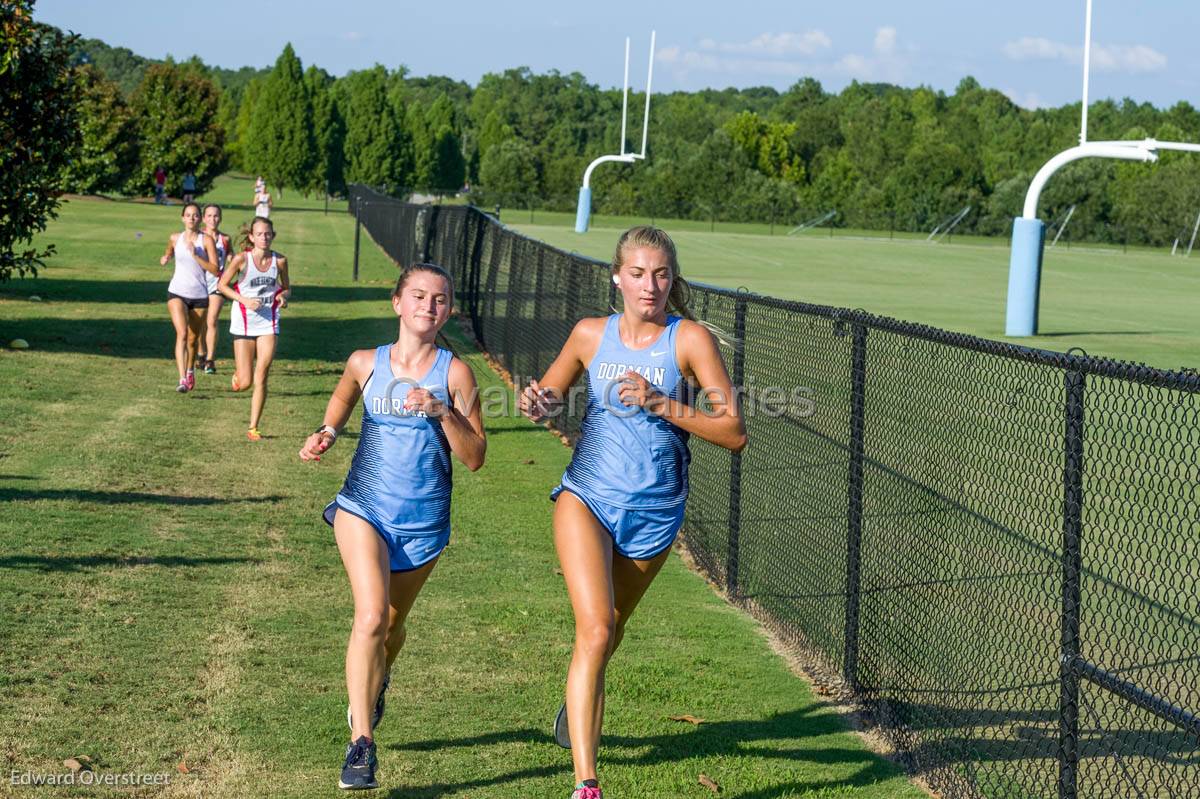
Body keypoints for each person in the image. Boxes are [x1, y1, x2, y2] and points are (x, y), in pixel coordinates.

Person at [518, 226, 747, 799]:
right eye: (639, 273)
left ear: (674, 279)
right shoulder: (589, 334)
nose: (651, 285)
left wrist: (660, 402)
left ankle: (576, 701)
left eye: (662, 274)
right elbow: (548, 394)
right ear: (617, 277)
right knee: (594, 628)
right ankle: (586, 783)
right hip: (587, 496)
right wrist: (537, 401)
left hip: (656, 510)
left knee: (608, 632)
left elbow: (733, 431)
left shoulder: (689, 340)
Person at [299, 263, 486, 791]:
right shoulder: (365, 362)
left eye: (441, 299)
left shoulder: (456, 375)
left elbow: (474, 457)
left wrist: (441, 412)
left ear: (447, 310)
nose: (430, 305)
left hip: (424, 521)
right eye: (420, 295)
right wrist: (327, 431)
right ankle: (361, 743)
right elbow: (342, 398)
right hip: (364, 507)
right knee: (371, 615)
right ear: (398, 303)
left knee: (391, 628)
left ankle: (374, 685)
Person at [218, 216, 290, 440]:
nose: (264, 238)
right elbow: (222, 285)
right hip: (244, 321)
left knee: (262, 374)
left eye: (268, 234)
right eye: (259, 234)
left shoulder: (280, 261)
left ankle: (253, 427)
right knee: (246, 381)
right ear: (251, 237)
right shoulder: (242, 260)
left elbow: (287, 288)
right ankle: (239, 376)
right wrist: (243, 300)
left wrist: (284, 298)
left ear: (273, 235)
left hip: (269, 321)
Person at [159, 203, 219, 393]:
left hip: (200, 295)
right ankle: (182, 378)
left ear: (200, 219)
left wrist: (196, 256)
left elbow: (215, 270)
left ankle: (191, 369)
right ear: (182, 218)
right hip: (177, 292)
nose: (192, 218)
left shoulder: (206, 240)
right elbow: (170, 249)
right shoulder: (175, 238)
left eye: (195, 215)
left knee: (193, 340)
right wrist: (166, 257)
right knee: (182, 334)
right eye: (188, 215)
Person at [195, 204, 232, 374]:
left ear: (221, 218)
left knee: (212, 320)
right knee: (200, 322)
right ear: (203, 218)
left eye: (216, 216)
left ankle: (210, 359)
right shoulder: (198, 238)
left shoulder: (225, 239)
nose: (213, 219)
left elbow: (230, 255)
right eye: (209, 216)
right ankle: (201, 353)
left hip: (218, 283)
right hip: (199, 283)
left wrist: (235, 260)